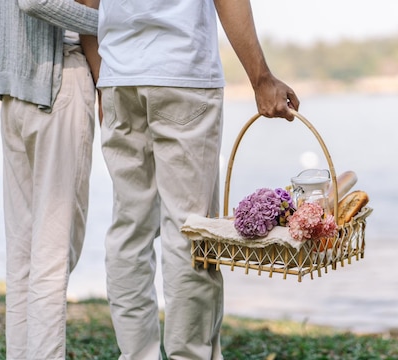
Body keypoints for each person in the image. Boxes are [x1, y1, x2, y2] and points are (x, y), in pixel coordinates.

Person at [94, 0, 300, 358]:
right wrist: (260, 77)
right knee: (190, 233)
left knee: (129, 230)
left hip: (118, 77)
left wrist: (104, 77)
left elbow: (86, 3)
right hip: (181, 72)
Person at [0, 0, 100, 358]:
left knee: (24, 258)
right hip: (56, 83)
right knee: (52, 258)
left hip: (13, 89)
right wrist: (113, 22)